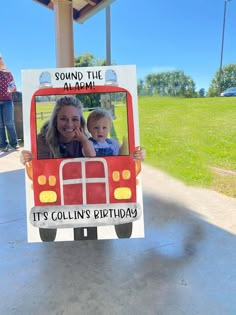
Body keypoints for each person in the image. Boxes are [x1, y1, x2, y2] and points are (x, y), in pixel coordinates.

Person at [20, 95, 96, 164]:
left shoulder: (86, 140)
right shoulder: (43, 140)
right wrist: (26, 158)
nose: (69, 124)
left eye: (74, 119)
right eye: (63, 119)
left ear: (81, 122)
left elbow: (93, 161)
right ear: (55, 120)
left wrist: (85, 141)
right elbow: (39, 168)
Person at [0, 54, 19, 152]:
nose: (0, 60)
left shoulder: (8, 73)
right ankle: (3, 145)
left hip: (7, 100)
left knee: (10, 123)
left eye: (0, 58)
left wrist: (12, 89)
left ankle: (14, 143)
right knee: (0, 124)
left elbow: (14, 86)